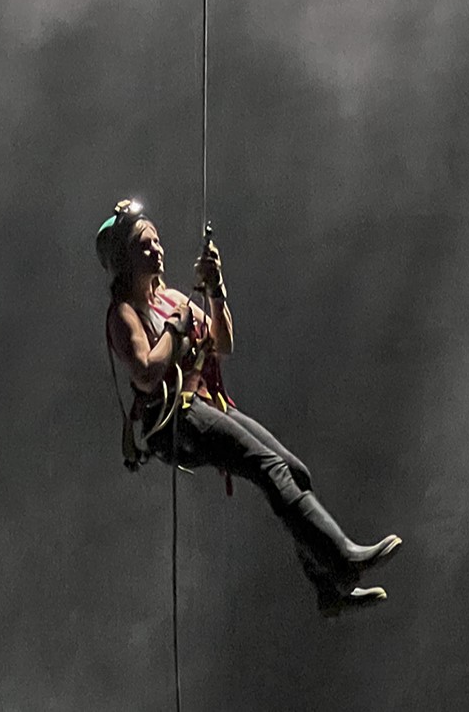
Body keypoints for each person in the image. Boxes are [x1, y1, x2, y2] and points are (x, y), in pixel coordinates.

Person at [96, 199, 400, 617]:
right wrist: (175, 330)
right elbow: (146, 372)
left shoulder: (171, 297)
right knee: (267, 467)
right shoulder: (124, 314)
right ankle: (340, 558)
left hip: (206, 404)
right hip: (173, 420)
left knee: (294, 472)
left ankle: (327, 589)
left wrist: (216, 289)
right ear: (124, 259)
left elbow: (223, 343)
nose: (158, 250)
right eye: (145, 245)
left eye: (157, 241)